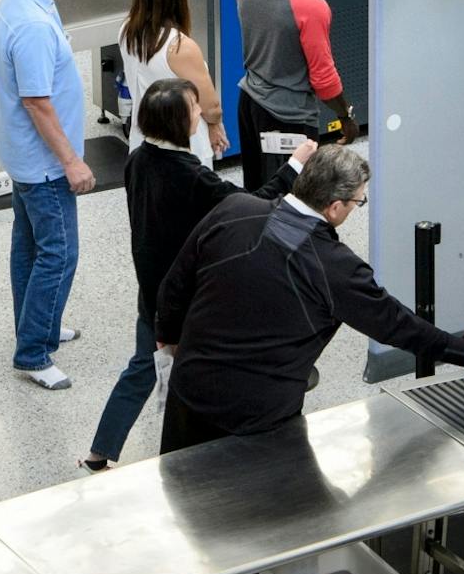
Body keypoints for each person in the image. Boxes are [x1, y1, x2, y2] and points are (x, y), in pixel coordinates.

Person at [139, 146, 464, 574]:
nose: (356, 208)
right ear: (335, 207)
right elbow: (397, 325)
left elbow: (174, 283)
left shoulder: (234, 210)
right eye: (358, 201)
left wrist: (170, 338)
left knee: (183, 503)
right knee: (251, 531)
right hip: (258, 417)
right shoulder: (334, 266)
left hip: (189, 394)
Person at [81, 80, 313, 473]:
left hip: (151, 292)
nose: (200, 112)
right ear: (178, 121)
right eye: (193, 107)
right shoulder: (192, 177)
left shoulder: (137, 159)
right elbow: (252, 205)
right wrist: (295, 165)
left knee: (141, 368)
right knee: (202, 377)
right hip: (187, 300)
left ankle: (99, 452)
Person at [0, 0, 91, 391]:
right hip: (45, 164)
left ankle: (39, 324)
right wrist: (71, 161)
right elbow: (36, 102)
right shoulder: (29, 23)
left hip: (27, 157)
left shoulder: (25, 2)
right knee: (59, 254)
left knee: (29, 247)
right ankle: (33, 351)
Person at [236, 0, 358, 192]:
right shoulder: (311, 6)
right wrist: (345, 116)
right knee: (294, 198)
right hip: (287, 116)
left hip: (249, 105)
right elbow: (324, 80)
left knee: (258, 193)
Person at [120, 0, 229, 163]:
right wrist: (215, 124)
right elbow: (211, 107)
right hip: (185, 151)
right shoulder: (180, 47)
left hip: (143, 142)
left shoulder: (127, 30)